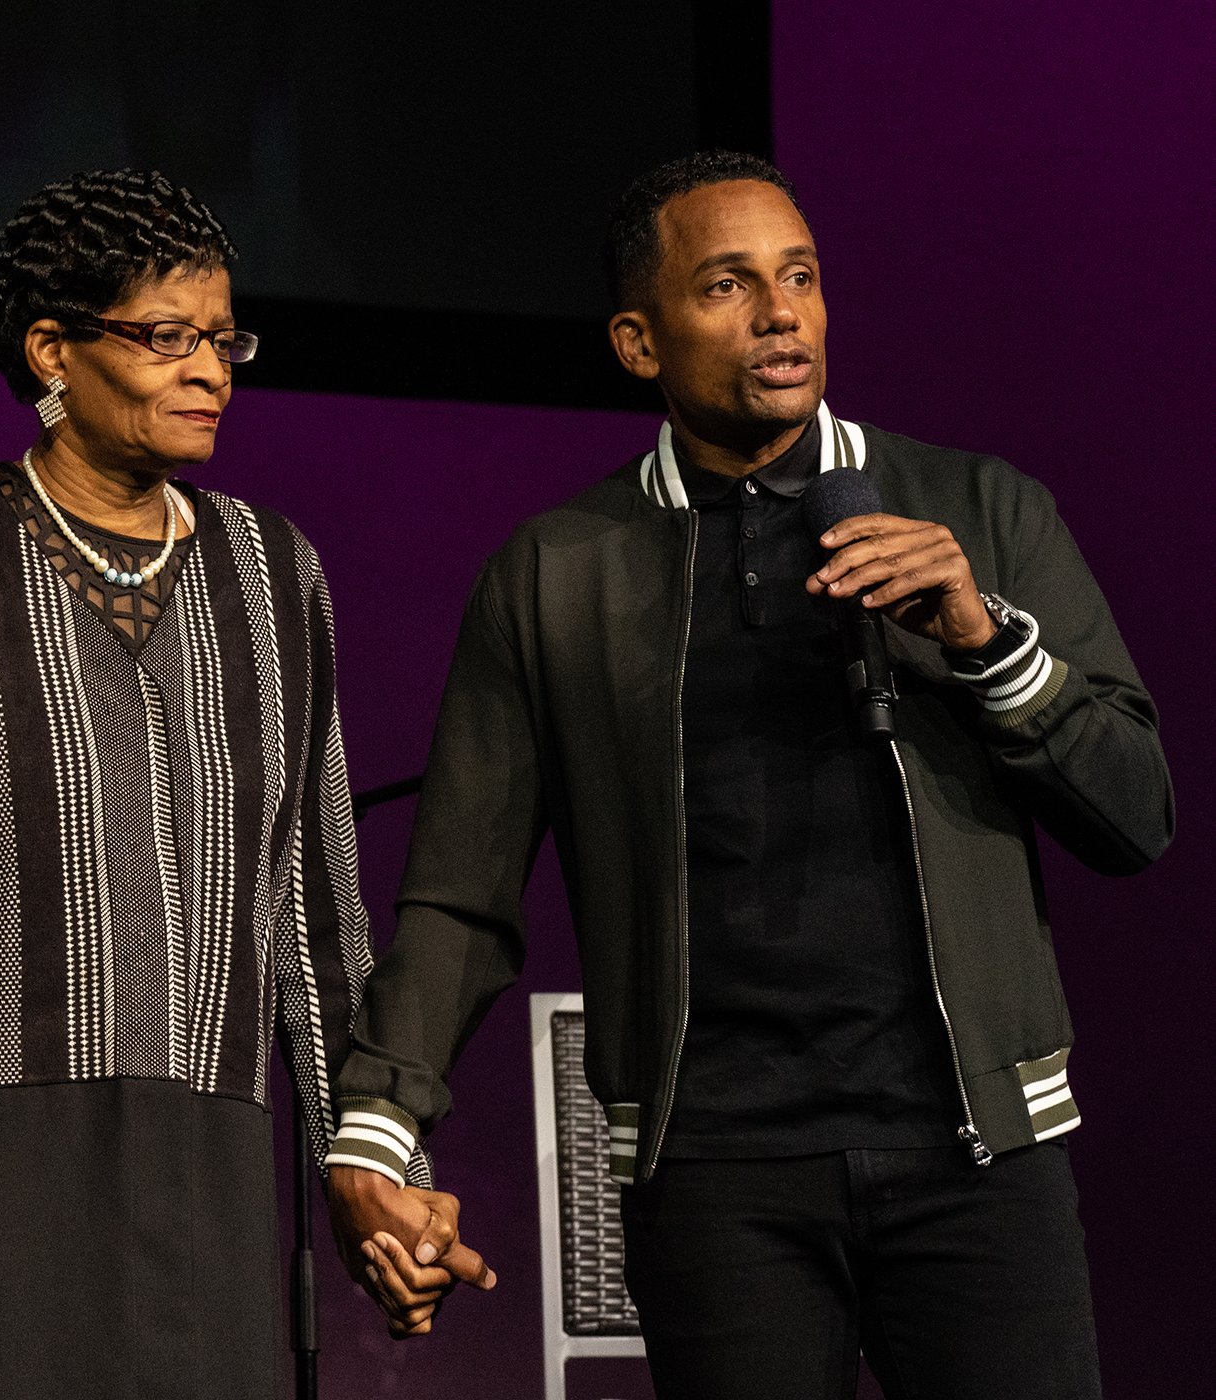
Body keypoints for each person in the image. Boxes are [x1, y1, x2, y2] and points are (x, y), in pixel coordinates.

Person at [323, 151, 1173, 1395]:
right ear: (638, 340)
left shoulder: (977, 509)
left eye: (801, 278)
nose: (781, 314)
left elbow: (1135, 812)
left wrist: (982, 638)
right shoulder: (561, 571)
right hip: (715, 1170)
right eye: (728, 284)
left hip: (975, 1152)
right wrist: (380, 1127)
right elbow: (462, 891)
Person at [0, 168, 459, 1398]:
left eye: (223, 338)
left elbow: (315, 906)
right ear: (51, 351)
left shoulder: (272, 572)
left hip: (205, 1162)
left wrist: (368, 1156)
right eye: (165, 337)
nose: (212, 370)